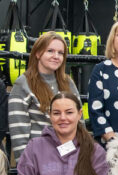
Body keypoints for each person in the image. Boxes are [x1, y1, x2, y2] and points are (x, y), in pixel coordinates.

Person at [8, 32, 79, 161]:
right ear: (38, 53)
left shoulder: (68, 83)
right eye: (50, 51)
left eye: (60, 53)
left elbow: (80, 125)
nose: (56, 56)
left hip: (69, 158)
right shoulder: (23, 84)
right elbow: (19, 134)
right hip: (38, 160)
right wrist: (27, 167)